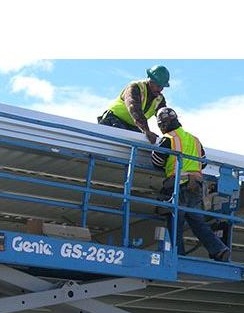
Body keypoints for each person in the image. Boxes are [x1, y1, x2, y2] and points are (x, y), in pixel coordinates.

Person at [150, 107, 230, 262]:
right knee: (198, 222)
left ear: (164, 124)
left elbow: (156, 161)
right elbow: (203, 162)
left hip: (177, 185)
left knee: (175, 221)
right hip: (196, 185)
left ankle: (177, 255)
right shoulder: (194, 139)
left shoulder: (168, 138)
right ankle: (219, 250)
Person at [98, 65, 170, 144]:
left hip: (133, 127)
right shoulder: (135, 87)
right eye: (158, 86)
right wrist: (146, 130)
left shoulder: (159, 99)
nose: (160, 89)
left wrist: (171, 136)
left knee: (153, 143)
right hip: (113, 120)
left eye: (163, 87)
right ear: (150, 80)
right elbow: (134, 108)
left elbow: (166, 118)